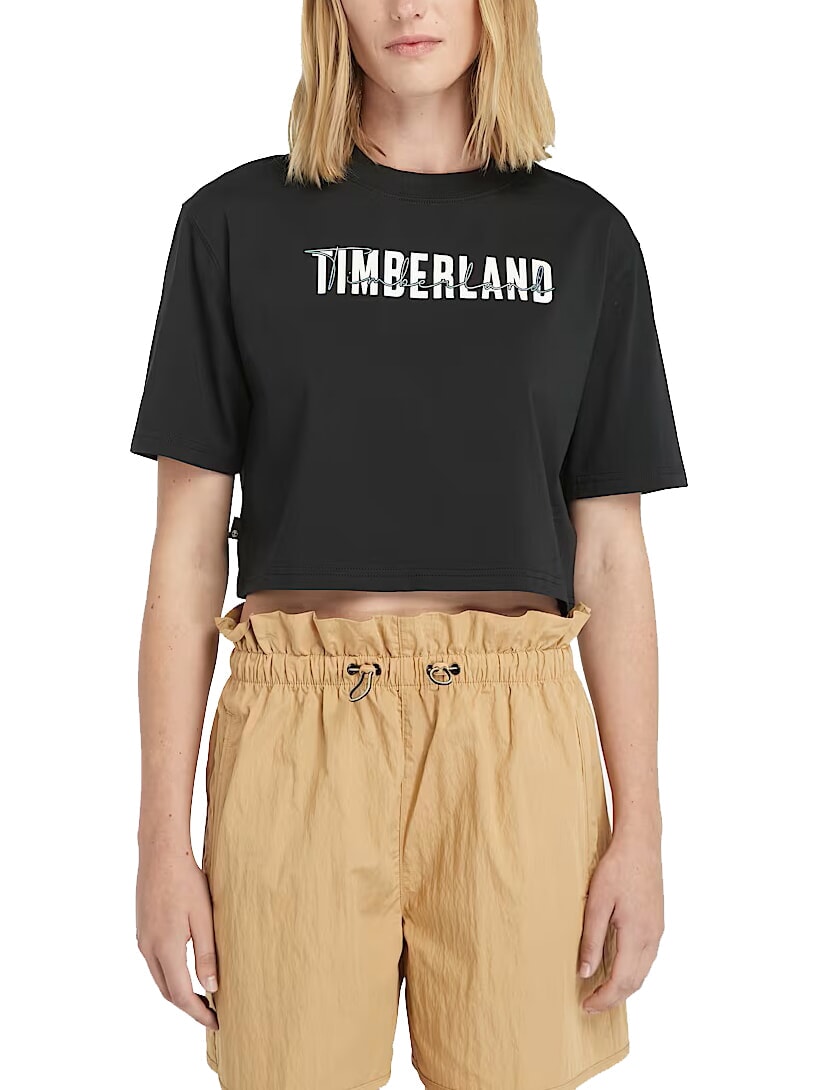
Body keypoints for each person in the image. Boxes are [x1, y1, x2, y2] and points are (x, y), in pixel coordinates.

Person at [131, 3, 688, 1089]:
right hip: (296, 733)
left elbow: (611, 556)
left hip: (515, 739)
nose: (408, 7)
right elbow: (187, 552)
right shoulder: (233, 225)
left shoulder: (585, 240)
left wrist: (642, 828)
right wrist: (160, 838)